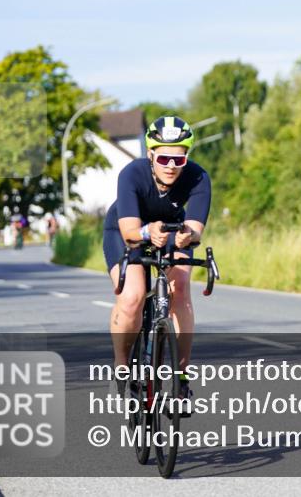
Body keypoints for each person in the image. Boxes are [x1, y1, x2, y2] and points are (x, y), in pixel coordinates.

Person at [102, 116, 211, 402]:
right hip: (127, 231)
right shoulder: (132, 174)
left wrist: (188, 236)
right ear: (150, 155)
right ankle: (122, 367)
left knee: (181, 290)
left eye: (179, 159)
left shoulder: (198, 177)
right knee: (133, 297)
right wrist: (146, 232)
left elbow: (196, 229)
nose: (172, 166)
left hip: (172, 232)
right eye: (164, 159)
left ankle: (181, 378)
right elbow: (128, 231)